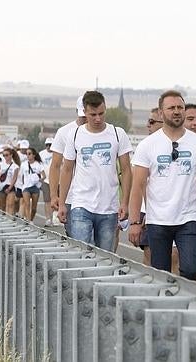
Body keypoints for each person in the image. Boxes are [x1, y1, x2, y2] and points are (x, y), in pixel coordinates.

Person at [128, 90, 196, 281]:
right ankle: (164, 308)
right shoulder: (148, 145)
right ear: (161, 113)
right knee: (160, 274)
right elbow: (137, 186)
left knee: (192, 268)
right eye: (171, 108)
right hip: (157, 220)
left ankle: (186, 306)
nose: (177, 111)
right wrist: (135, 222)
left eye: (180, 107)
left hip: (188, 218)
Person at [58, 91, 133, 252]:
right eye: (93, 114)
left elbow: (126, 170)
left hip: (109, 207)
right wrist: (62, 203)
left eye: (101, 113)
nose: (98, 118)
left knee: (105, 257)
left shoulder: (117, 134)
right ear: (84, 112)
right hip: (81, 205)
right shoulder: (75, 134)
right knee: (82, 253)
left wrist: (125, 202)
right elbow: (66, 169)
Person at [49, 95, 88, 236]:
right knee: (79, 243)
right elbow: (55, 166)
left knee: (102, 249)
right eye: (82, 116)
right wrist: (54, 195)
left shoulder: (106, 132)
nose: (85, 119)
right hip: (72, 197)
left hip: (101, 200)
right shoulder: (64, 132)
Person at [138, 108, 164, 265]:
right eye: (148, 121)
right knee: (149, 255)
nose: (148, 125)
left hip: (167, 212)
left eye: (152, 122)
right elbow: (138, 183)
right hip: (146, 210)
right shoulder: (145, 146)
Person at [20, 147, 46, 222]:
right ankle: (28, 220)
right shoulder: (24, 164)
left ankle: (30, 219)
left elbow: (44, 176)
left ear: (34, 155)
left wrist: (39, 181)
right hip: (26, 187)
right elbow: (21, 176)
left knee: (34, 208)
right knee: (27, 204)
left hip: (35, 187)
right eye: (26, 154)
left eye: (29, 154)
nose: (27, 155)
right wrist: (23, 184)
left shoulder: (38, 164)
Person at [0, 148, 20, 215]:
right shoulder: (0, 164)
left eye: (7, 155)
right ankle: (3, 220)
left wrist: (10, 187)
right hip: (1, 186)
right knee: (2, 206)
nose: (5, 157)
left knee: (10, 204)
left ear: (11, 155)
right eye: (4, 155)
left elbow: (14, 178)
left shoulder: (15, 166)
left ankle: (10, 219)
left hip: (10, 186)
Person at [38, 138, 55, 226]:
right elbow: (38, 166)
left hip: (56, 181)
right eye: (47, 145)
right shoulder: (41, 154)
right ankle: (48, 218)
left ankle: (53, 218)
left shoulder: (58, 153)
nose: (48, 146)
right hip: (46, 180)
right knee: (47, 201)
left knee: (55, 200)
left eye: (50, 144)